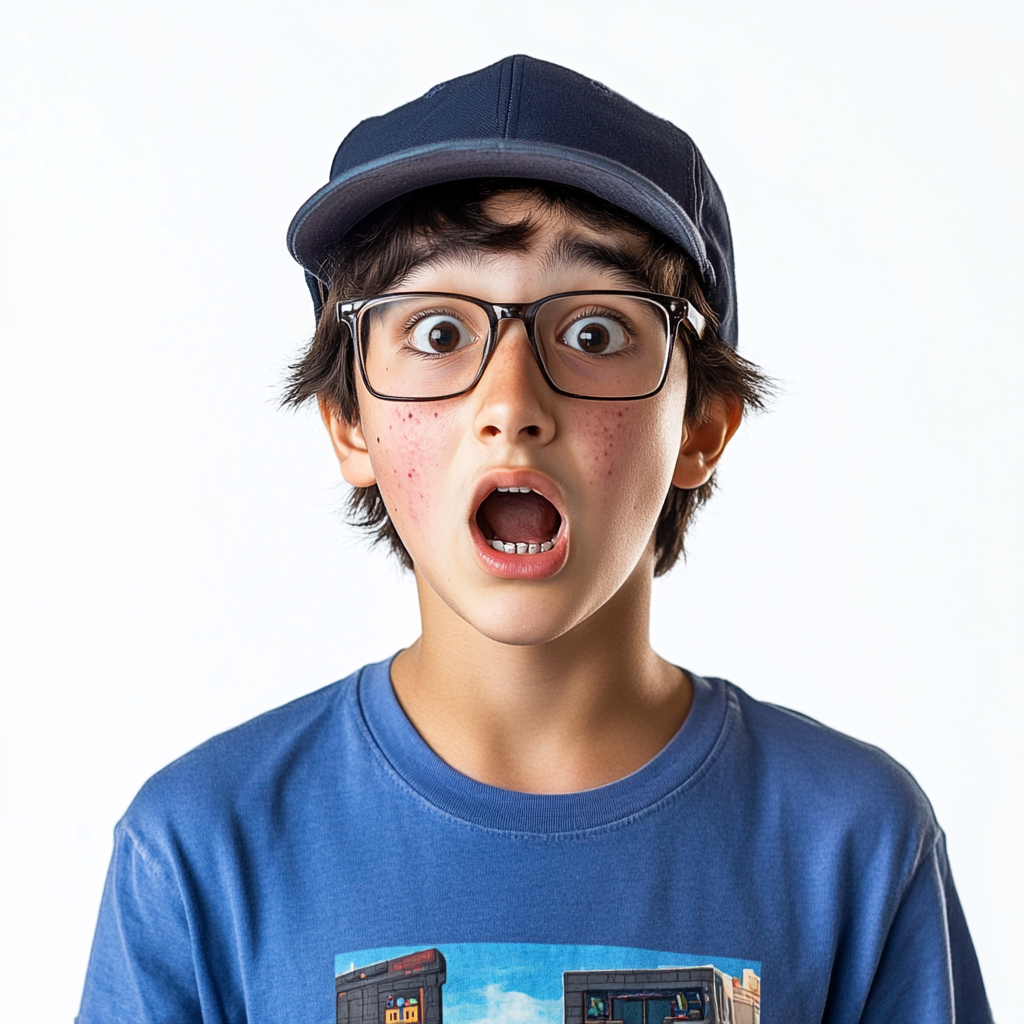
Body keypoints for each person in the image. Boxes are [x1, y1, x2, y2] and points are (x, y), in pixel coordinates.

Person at [77, 55, 991, 1024]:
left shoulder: (853, 846)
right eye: (436, 333)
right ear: (348, 418)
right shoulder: (198, 853)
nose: (510, 403)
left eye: (593, 332)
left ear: (702, 424)